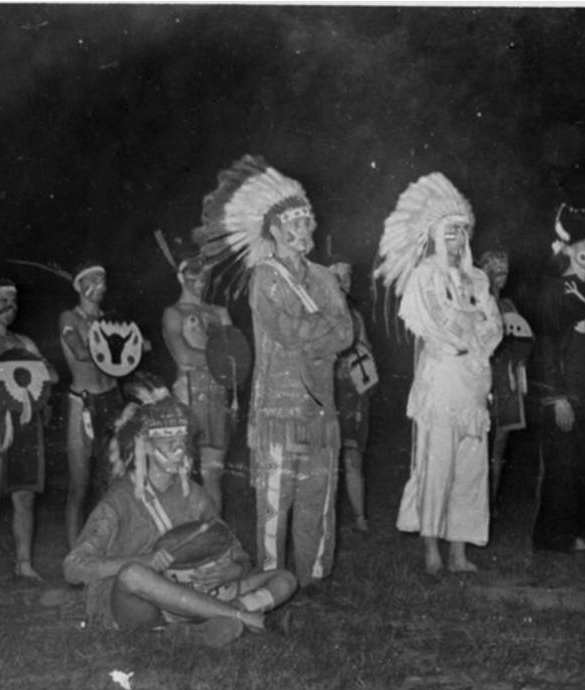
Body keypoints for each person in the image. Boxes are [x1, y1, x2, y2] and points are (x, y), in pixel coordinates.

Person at [193, 155, 353, 591]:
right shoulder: (264, 277)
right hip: (279, 411)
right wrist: (320, 330)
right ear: (277, 230)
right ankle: (270, 578)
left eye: (307, 222)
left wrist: (315, 331)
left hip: (320, 410)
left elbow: (346, 332)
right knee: (274, 501)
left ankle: (313, 578)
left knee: (316, 495)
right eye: (295, 223)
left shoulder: (324, 277)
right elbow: (283, 330)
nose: (305, 230)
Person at [63, 381, 296, 646]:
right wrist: (143, 559)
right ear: (145, 446)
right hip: (140, 603)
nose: (179, 451)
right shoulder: (120, 498)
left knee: (285, 579)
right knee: (132, 573)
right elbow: (73, 567)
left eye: (182, 442)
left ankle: (201, 626)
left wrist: (230, 571)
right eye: (169, 441)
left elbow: (235, 551)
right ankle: (252, 619)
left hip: (194, 594)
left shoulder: (194, 495)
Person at [374, 172, 503, 574]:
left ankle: (459, 551)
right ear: (434, 234)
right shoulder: (425, 275)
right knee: (437, 464)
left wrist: (476, 330)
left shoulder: (478, 278)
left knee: (470, 467)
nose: (457, 239)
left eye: (462, 232)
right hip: (442, 380)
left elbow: (494, 325)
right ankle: (431, 549)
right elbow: (434, 321)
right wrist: (470, 327)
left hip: (473, 381)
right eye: (450, 232)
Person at [530, 202, 585, 553]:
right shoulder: (554, 290)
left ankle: (583, 532)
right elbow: (547, 345)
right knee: (563, 464)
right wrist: (557, 397)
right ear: (567, 249)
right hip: (568, 390)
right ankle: (555, 537)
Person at [0, 272, 58, 582]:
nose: (10, 307)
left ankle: (24, 564)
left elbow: (53, 375)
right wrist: (29, 376)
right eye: (3, 300)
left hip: (27, 421)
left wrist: (28, 376)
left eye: (14, 301)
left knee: (25, 496)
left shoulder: (23, 341)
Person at [162, 254, 235, 515]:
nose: (201, 279)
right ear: (181, 276)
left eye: (205, 274)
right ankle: (183, 535)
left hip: (217, 396)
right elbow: (183, 355)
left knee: (213, 474)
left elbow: (236, 356)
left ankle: (214, 534)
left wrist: (220, 360)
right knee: (182, 473)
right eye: (195, 273)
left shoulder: (219, 312)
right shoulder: (174, 313)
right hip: (187, 394)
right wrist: (219, 360)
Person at [59, 261, 125, 549]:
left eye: (103, 280)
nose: (100, 285)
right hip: (83, 404)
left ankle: (108, 549)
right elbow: (80, 352)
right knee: (80, 485)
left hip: (113, 400)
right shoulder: (69, 318)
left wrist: (135, 345)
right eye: (93, 280)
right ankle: (75, 555)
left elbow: (132, 352)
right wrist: (127, 345)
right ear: (79, 285)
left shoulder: (111, 319)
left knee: (113, 481)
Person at [478, 250, 533, 513]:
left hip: (507, 383)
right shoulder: (477, 303)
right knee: (478, 447)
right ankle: (475, 509)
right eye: (496, 269)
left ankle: (491, 507)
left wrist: (521, 360)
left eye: (505, 269)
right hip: (483, 380)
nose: (502, 274)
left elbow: (524, 341)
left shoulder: (509, 306)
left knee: (499, 450)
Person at [331, 260, 378, 533]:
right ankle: (326, 517)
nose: (343, 283)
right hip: (327, 392)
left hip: (353, 394)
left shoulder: (356, 316)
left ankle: (360, 517)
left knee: (352, 456)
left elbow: (366, 350)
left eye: (347, 278)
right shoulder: (318, 313)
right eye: (338, 277)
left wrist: (362, 356)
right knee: (326, 457)